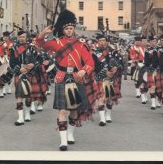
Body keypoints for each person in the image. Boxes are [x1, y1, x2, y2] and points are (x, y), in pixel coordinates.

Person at [36, 9, 95, 151]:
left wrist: (83, 70)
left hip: (76, 77)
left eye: (71, 28)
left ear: (73, 29)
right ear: (63, 29)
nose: (69, 30)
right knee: (62, 110)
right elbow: (40, 43)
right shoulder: (56, 43)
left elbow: (90, 62)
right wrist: (45, 32)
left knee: (74, 110)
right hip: (62, 77)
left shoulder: (81, 44)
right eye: (67, 28)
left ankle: (70, 134)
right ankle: (63, 141)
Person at [92, 33, 123, 126]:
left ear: (106, 42)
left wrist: (116, 68)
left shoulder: (112, 51)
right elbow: (94, 66)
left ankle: (108, 115)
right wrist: (105, 72)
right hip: (100, 77)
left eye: (103, 40)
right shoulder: (94, 53)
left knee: (109, 99)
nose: (102, 42)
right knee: (101, 98)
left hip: (111, 78)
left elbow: (119, 62)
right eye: (100, 41)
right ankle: (102, 119)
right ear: (97, 42)